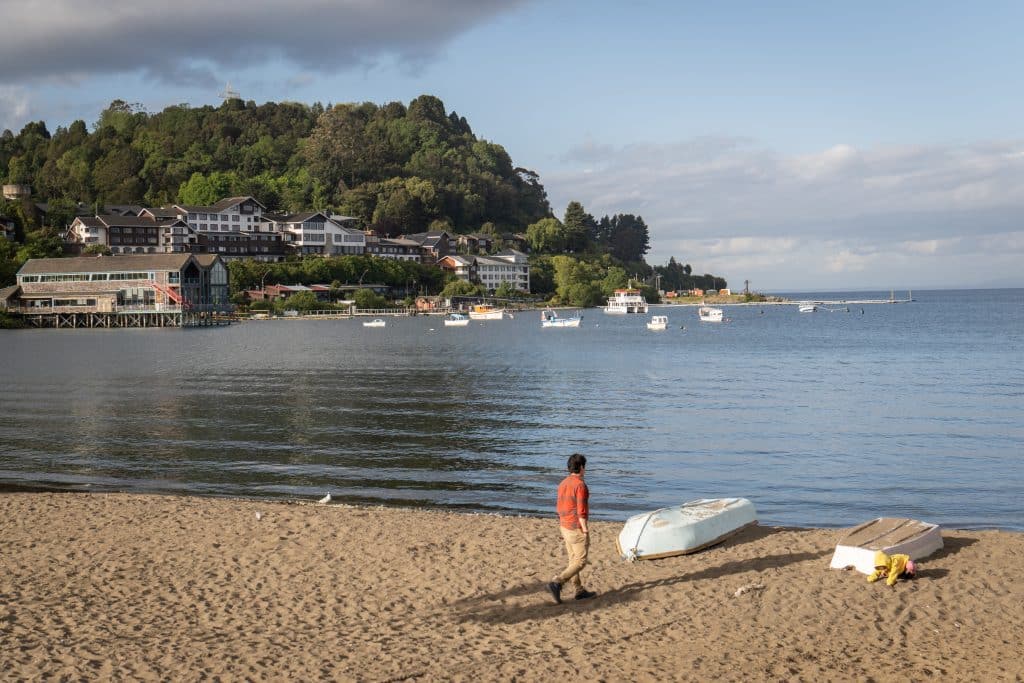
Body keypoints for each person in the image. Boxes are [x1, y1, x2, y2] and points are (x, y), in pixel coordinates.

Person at [547, 453, 597, 604]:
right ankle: (558, 582)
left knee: (572, 560)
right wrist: (585, 530)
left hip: (564, 526)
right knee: (580, 562)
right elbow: (581, 511)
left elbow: (560, 505)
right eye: (584, 466)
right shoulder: (580, 485)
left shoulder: (563, 483)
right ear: (581, 467)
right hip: (575, 528)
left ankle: (579, 590)